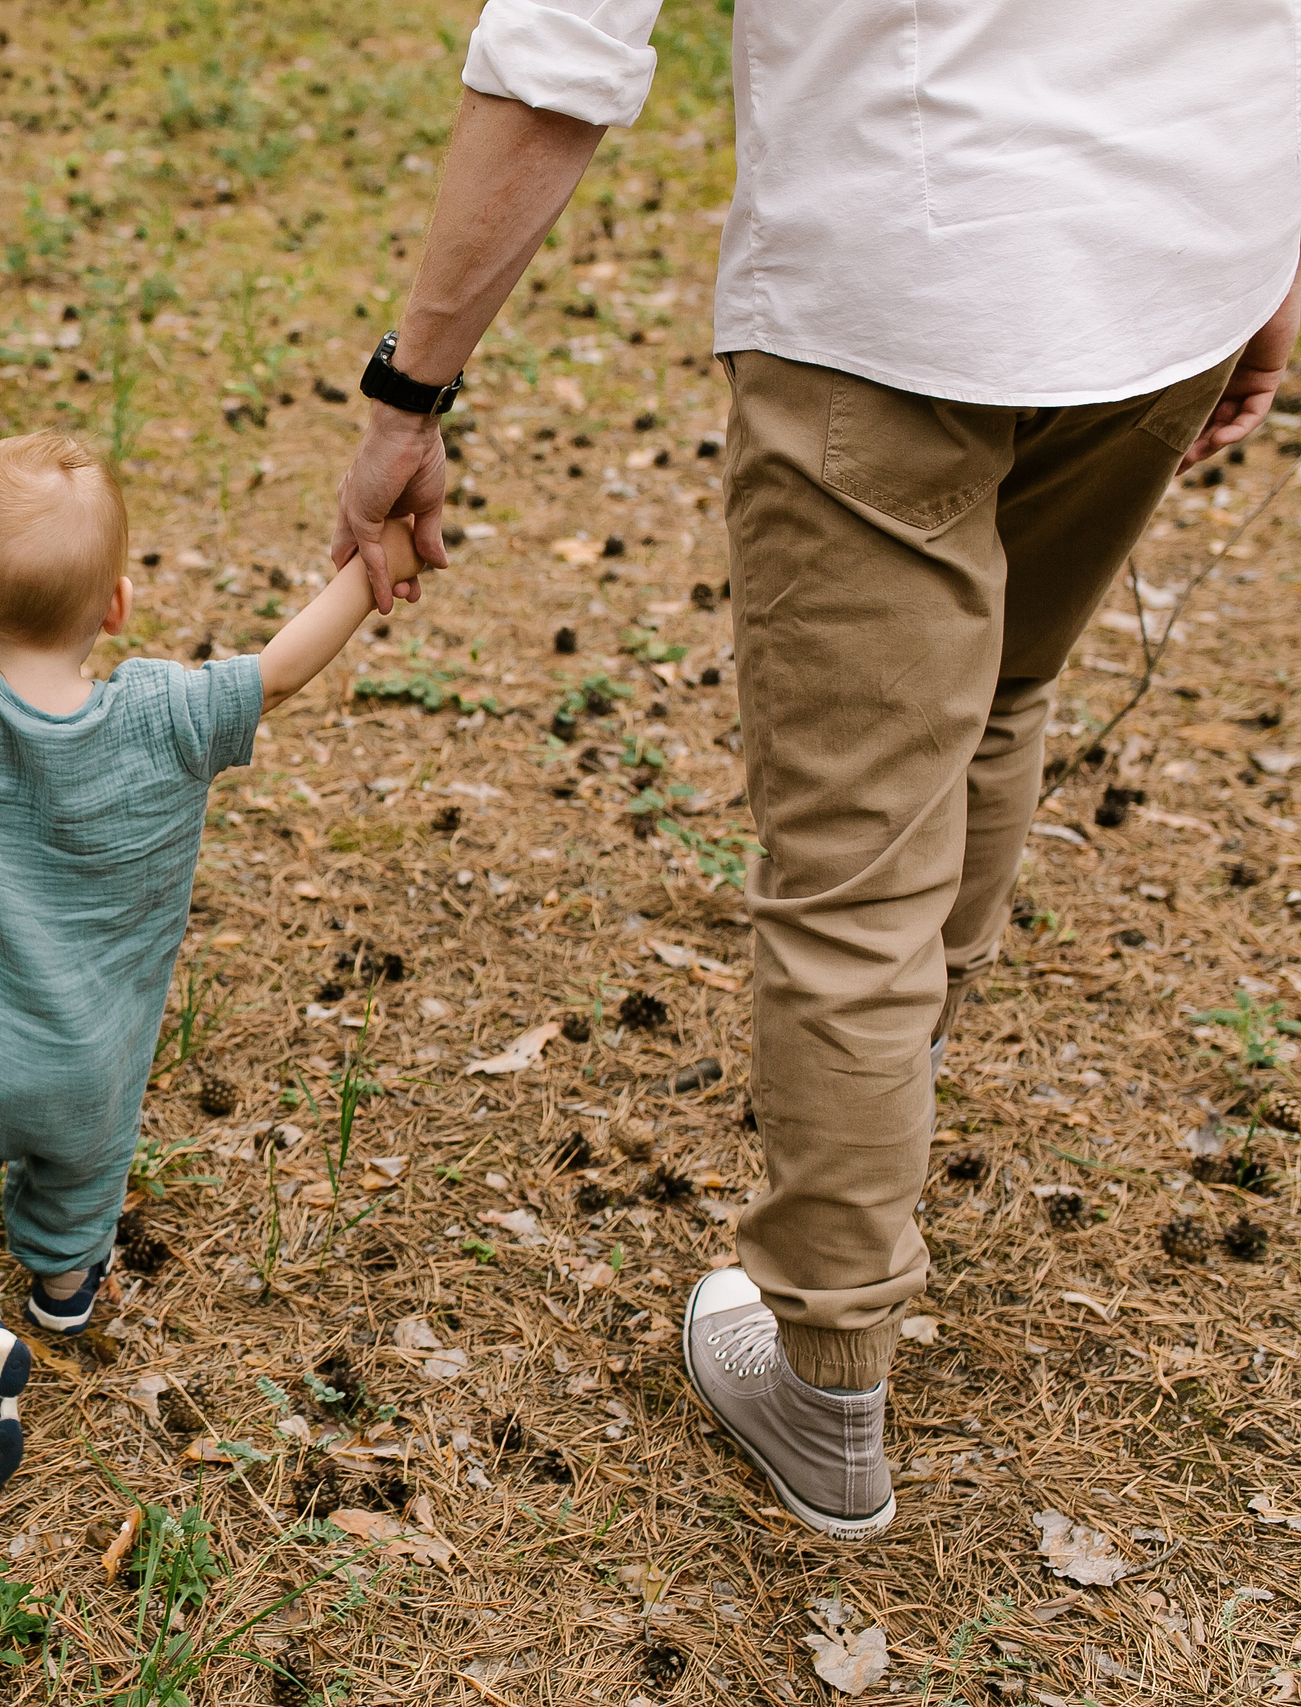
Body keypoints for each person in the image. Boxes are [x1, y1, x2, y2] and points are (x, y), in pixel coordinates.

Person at [332, 0, 1301, 1536]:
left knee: (858, 864)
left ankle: (827, 1376)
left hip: (908, 288)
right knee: (994, 700)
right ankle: (885, 1100)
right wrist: (1260, 232)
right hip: (1182, 254)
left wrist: (410, 392)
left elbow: (561, 46)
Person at [0, 380, 426, 1491]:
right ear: (116, 604)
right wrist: (370, 564)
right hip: (87, 1074)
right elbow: (286, 666)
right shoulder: (169, 718)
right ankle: (62, 1296)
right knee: (80, 1180)